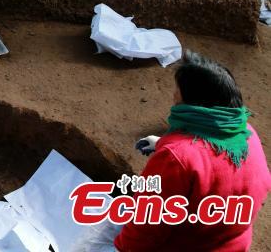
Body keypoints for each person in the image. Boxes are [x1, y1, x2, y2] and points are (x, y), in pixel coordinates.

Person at [114, 52, 271, 251]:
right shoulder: (248, 133)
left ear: (192, 103)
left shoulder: (175, 159)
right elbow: (213, 162)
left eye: (177, 96)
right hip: (232, 242)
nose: (174, 99)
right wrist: (163, 142)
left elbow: (144, 229)